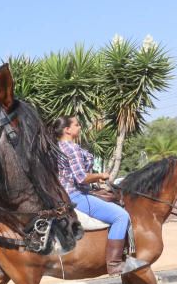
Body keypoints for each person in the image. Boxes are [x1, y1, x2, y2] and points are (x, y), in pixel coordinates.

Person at [54, 115, 147, 275]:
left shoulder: (56, 147)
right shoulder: (71, 148)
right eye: (76, 125)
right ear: (67, 130)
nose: (79, 127)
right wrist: (101, 176)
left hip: (64, 194)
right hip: (76, 196)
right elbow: (81, 177)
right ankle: (114, 263)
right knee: (121, 216)